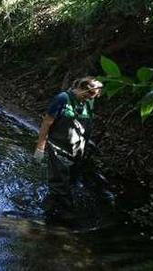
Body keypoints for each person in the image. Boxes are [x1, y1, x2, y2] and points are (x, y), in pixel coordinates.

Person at [33, 77, 104, 209]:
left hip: (78, 150)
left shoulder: (89, 102)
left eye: (93, 97)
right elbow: (47, 122)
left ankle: (58, 206)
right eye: (88, 95)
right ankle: (50, 213)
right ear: (81, 89)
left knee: (72, 182)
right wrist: (40, 146)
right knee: (59, 185)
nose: (90, 99)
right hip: (58, 148)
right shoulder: (62, 99)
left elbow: (84, 127)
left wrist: (89, 144)